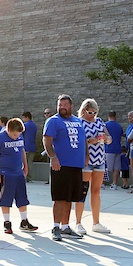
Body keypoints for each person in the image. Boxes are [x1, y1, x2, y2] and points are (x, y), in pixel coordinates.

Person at [43, 94, 86, 241]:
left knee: (70, 198)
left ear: (71, 106)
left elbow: (83, 140)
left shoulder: (78, 121)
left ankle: (65, 227)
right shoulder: (53, 121)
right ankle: (56, 227)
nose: (62, 107)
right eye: (60, 105)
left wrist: (85, 157)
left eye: (65, 105)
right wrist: (53, 157)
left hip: (76, 165)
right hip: (61, 165)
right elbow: (47, 141)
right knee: (60, 197)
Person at [0, 117, 37, 234]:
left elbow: (22, 150)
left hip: (18, 172)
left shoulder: (20, 135)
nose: (17, 136)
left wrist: (25, 166)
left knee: (22, 198)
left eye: (19, 134)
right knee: (6, 198)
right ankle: (7, 222)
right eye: (15, 134)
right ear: (8, 130)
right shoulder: (0, 137)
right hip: (6, 173)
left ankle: (24, 221)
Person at [74, 99, 111, 235]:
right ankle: (78, 222)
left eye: (95, 112)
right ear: (83, 110)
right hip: (86, 159)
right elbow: (78, 140)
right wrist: (90, 141)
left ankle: (96, 222)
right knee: (82, 191)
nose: (93, 115)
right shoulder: (79, 122)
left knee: (96, 192)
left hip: (99, 159)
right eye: (90, 112)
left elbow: (109, 136)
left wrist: (106, 139)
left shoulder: (100, 121)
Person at [103, 110, 123, 189]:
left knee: (105, 167)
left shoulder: (105, 125)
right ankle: (114, 184)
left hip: (108, 148)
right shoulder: (119, 126)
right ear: (115, 116)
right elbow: (120, 137)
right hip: (117, 148)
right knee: (116, 167)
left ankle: (102, 183)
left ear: (108, 116)